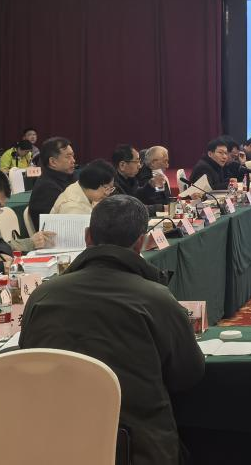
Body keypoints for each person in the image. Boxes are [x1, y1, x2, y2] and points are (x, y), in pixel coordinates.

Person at [20, 196, 206, 465]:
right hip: (138, 447)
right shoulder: (156, 299)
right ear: (140, 243)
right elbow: (188, 374)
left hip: (56, 443)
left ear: (87, 236)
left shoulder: (42, 295)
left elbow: (27, 358)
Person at [27, 136, 76, 231]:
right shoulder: (46, 188)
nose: (73, 160)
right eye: (68, 156)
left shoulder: (69, 178)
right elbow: (51, 227)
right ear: (53, 162)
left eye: (73, 156)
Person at [52, 158, 116, 215]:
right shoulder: (72, 208)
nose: (107, 193)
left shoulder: (87, 192)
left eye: (111, 188)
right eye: (106, 188)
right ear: (92, 182)